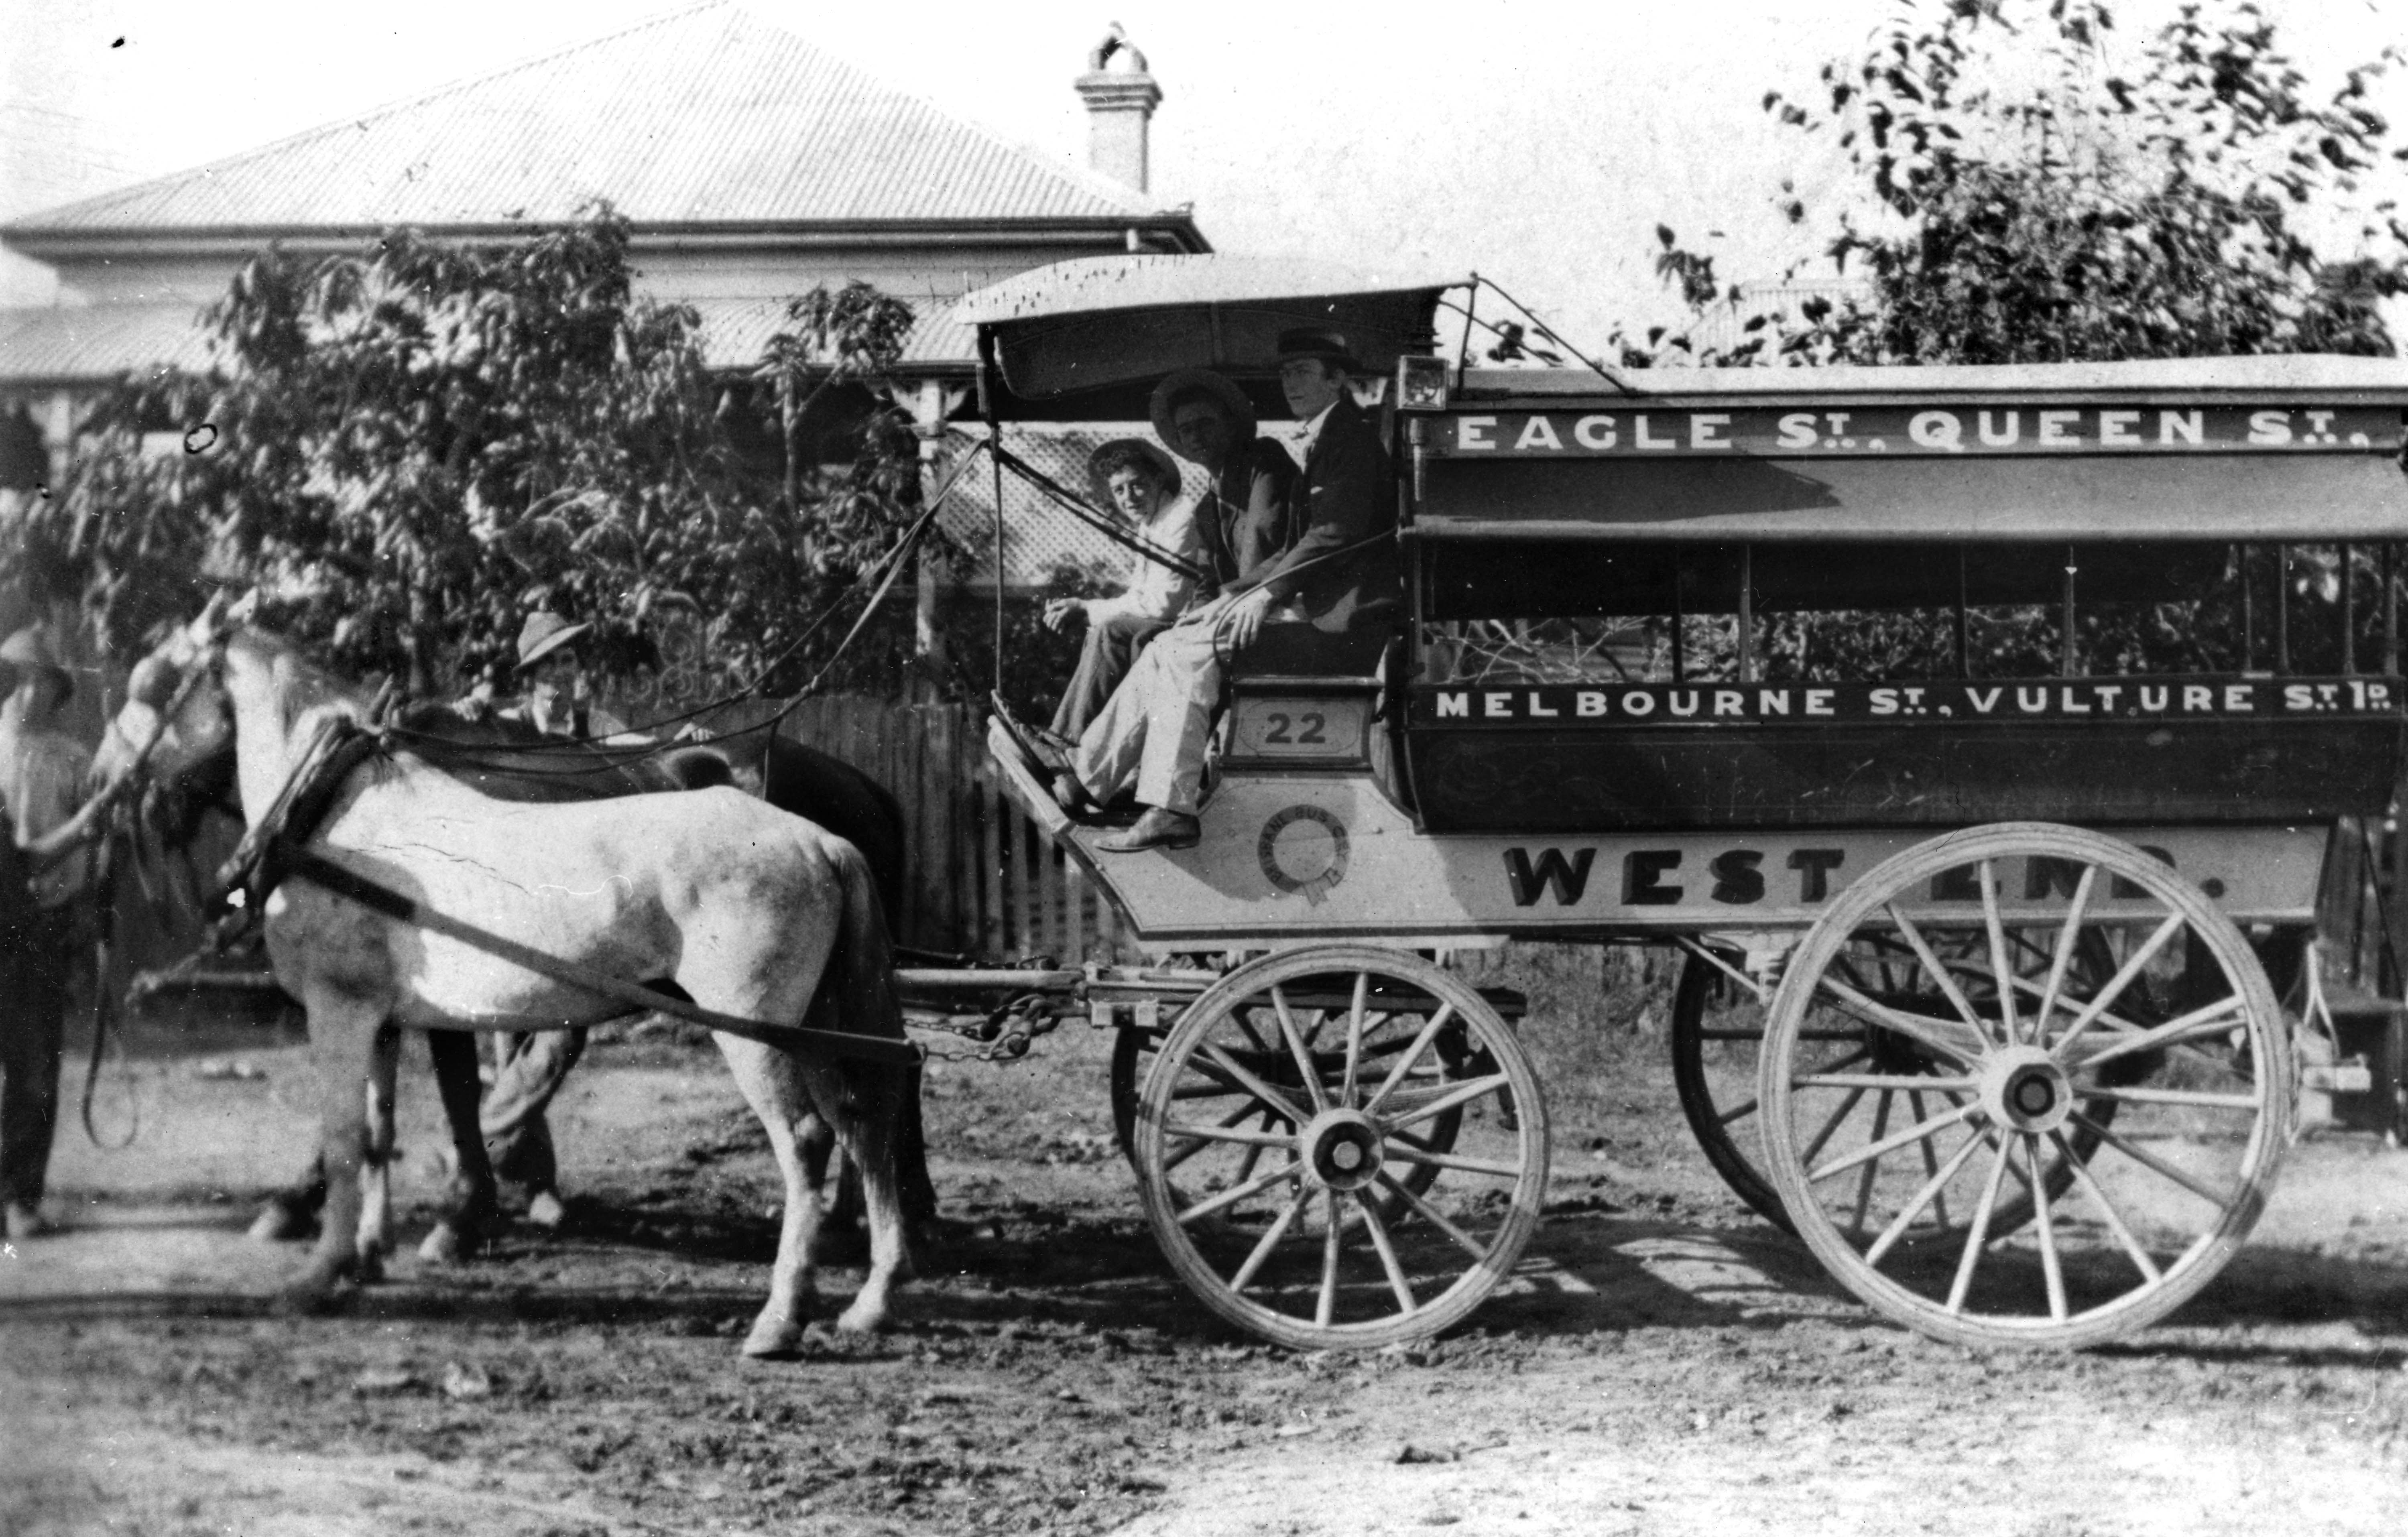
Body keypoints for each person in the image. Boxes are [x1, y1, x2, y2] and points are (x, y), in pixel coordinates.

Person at [1054, 328, 1398, 851]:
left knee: (1184, 652)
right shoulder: (1327, 436)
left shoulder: (1347, 437)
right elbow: (1302, 542)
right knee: (1169, 645)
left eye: (1304, 372)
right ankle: (1092, 779)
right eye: (1285, 373)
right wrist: (1232, 596)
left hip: (1345, 624)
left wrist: (1263, 594)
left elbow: (1334, 532)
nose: (1290, 383)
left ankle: (1164, 805)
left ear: (1337, 379)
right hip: (1319, 610)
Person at [465, 612, 625, 1228]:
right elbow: (449, 734)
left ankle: (475, 1148)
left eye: (570, 660)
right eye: (551, 664)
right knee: (510, 1049)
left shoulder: (596, 726)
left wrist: (687, 737)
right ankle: (539, 1187)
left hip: (576, 913)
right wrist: (468, 709)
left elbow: (646, 755)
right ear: (530, 676)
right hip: (514, 907)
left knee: (560, 1038)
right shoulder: (505, 726)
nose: (563, 673)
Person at [0, 627, 95, 1240]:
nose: (30, 694)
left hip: (44, 923)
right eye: (19, 681)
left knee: (35, 1064)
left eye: (42, 683)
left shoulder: (72, 757)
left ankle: (20, 1196)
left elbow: (89, 848)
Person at [1044, 439, 1204, 740]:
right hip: (1169, 624)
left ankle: (1068, 740)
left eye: (1137, 485)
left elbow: (1164, 604)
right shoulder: (1152, 523)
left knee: (1111, 631)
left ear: (1159, 479)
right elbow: (1140, 596)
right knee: (1102, 630)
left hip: (1191, 625)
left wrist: (1089, 608)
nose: (1129, 498)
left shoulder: (1181, 518)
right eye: (1119, 490)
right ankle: (1066, 737)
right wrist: (1086, 608)